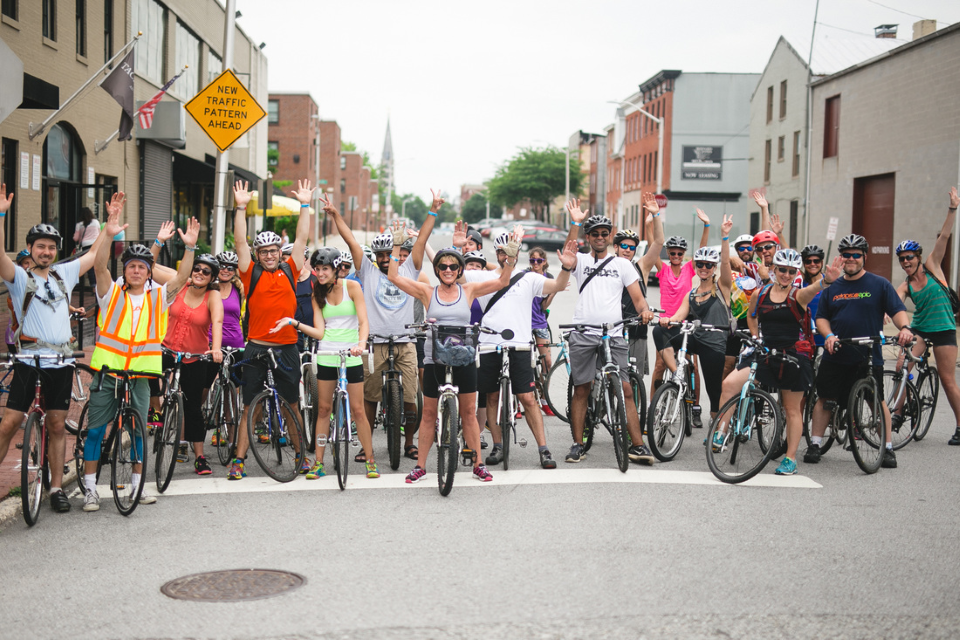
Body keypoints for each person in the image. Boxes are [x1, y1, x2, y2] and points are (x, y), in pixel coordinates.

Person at [81, 202, 199, 511]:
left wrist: (190, 248)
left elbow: (182, 279)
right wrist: (108, 231)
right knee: (96, 430)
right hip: (108, 372)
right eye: (131, 266)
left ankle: (138, 485)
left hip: (141, 376)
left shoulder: (158, 296)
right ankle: (90, 489)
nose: (136, 270)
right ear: (126, 270)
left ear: (149, 273)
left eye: (142, 267)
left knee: (137, 430)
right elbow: (99, 266)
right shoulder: (112, 293)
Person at [0, 184, 110, 514]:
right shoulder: (18, 278)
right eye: (40, 247)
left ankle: (56, 487)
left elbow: (94, 257)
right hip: (28, 360)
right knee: (8, 424)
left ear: (57, 251)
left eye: (51, 248)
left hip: (61, 362)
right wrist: (2, 214)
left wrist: (109, 224)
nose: (46, 252)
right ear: (30, 249)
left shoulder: (64, 274)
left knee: (58, 425)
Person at [389, 241, 519, 484]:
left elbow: (502, 282)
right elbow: (394, 277)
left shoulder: (468, 290)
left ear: (459, 270)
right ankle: (420, 467)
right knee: (428, 414)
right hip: (434, 359)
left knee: (469, 412)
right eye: (443, 266)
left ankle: (478, 465)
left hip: (464, 358)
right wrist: (396, 246)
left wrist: (510, 259)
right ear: (437, 270)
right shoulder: (428, 292)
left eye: (452, 266)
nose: (448, 270)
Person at [332, 191, 439, 462]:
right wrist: (335, 215)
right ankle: (364, 445)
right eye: (381, 254)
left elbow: (423, 239)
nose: (387, 258)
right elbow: (351, 241)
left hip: (405, 341)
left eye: (393, 253)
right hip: (374, 342)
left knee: (411, 397)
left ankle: (409, 442)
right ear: (376, 256)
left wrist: (433, 211)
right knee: (369, 397)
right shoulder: (366, 271)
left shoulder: (409, 269)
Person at [461, 226, 577, 470]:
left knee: (527, 397)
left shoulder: (529, 278)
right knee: (491, 396)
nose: (506, 255)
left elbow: (557, 285)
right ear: (496, 252)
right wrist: (458, 247)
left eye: (510, 250)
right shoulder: (481, 277)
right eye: (502, 251)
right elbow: (450, 272)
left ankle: (543, 449)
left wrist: (566, 267)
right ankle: (498, 445)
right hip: (489, 344)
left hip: (520, 345)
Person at [717, 249, 841, 475]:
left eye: (791, 271)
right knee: (730, 384)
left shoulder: (798, 295)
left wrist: (826, 281)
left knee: (791, 408)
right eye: (782, 269)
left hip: (793, 356)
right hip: (765, 352)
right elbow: (752, 315)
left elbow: (815, 288)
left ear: (795, 273)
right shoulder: (761, 293)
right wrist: (755, 336)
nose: (786, 274)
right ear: (773, 269)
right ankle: (721, 431)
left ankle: (790, 459)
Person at [227, 179, 312, 480]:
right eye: (263, 251)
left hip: (288, 345)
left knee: (291, 404)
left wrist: (304, 206)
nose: (269, 255)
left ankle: (301, 457)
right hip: (257, 346)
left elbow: (302, 239)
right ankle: (239, 461)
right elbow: (239, 242)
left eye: (273, 250)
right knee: (251, 407)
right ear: (258, 254)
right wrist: (240, 208)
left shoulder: (291, 268)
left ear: (279, 251)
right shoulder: (251, 273)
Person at [805, 234, 914, 469]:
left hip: (868, 354)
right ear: (841, 258)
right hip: (837, 352)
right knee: (825, 398)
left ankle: (886, 448)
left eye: (856, 255)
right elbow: (822, 317)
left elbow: (897, 310)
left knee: (877, 400)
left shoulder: (879, 284)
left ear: (865, 257)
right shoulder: (833, 286)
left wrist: (905, 327)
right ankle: (814, 444)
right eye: (847, 255)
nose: (851, 259)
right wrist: (829, 335)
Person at [561, 200, 655, 464]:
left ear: (609, 237)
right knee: (582, 389)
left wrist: (644, 311)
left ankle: (637, 445)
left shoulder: (623, 265)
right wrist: (575, 223)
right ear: (588, 238)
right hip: (583, 332)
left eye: (605, 233)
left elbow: (637, 299)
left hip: (612, 335)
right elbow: (568, 252)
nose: (600, 238)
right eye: (595, 234)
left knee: (625, 389)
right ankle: (578, 445)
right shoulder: (579, 261)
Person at [274, 243, 378, 479]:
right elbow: (321, 332)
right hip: (327, 355)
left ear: (336, 269)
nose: (320, 274)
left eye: (324, 270)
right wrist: (295, 323)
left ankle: (370, 460)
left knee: (359, 410)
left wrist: (361, 344)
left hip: (351, 355)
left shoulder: (353, 287)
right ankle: (319, 462)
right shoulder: (316, 294)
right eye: (317, 269)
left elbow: (363, 322)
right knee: (323, 409)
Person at [894, 187, 960, 445]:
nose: (905, 262)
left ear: (918, 257)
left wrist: (953, 208)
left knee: (947, 379)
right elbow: (895, 304)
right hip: (920, 328)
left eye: (909, 257)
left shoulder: (933, 266)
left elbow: (944, 236)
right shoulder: (905, 285)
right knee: (901, 366)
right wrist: (891, 318)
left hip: (944, 328)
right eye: (901, 259)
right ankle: (898, 413)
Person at [655, 215, 735, 423]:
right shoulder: (691, 293)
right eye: (700, 264)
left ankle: (717, 424)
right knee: (659, 331)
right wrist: (667, 320)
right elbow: (678, 316)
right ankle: (677, 374)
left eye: (709, 265)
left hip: (715, 344)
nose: (704, 268)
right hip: (695, 339)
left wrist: (724, 236)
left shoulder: (722, 288)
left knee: (714, 392)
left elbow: (725, 261)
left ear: (714, 267)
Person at [161, 252, 223, 475]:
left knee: (193, 407)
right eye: (197, 268)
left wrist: (215, 349)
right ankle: (156, 414)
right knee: (145, 376)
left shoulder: (212, 296)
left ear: (212, 277)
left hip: (196, 356)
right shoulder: (179, 285)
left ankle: (199, 456)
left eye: (206, 271)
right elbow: (150, 267)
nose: (200, 273)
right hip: (166, 348)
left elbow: (217, 321)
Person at [649, 209, 711, 422]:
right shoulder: (663, 269)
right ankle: (653, 407)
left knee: (691, 365)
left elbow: (702, 251)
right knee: (659, 365)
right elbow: (653, 247)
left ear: (684, 254)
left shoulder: (688, 269)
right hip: (666, 322)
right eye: (672, 253)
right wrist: (651, 223)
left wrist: (706, 226)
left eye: (679, 253)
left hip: (685, 322)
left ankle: (694, 408)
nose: (675, 256)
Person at [617, 192, 665, 378]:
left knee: (634, 379)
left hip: (637, 330)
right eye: (624, 246)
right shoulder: (609, 267)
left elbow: (659, 243)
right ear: (616, 247)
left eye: (631, 247)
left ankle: (634, 408)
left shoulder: (641, 267)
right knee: (613, 378)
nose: (627, 250)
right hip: (613, 331)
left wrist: (655, 216)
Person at [209, 250, 245, 447]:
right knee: (208, 389)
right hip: (211, 343)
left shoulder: (239, 289)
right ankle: (214, 426)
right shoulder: (208, 287)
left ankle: (232, 439)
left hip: (235, 344)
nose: (226, 270)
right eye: (222, 266)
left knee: (232, 392)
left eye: (230, 267)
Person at [526, 246, 556, 415]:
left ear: (544, 262)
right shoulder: (525, 275)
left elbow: (544, 306)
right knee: (524, 363)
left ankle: (544, 399)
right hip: (523, 324)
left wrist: (554, 291)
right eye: (532, 260)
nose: (535, 263)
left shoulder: (549, 278)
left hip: (540, 323)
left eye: (539, 260)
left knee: (547, 363)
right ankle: (519, 403)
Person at [5, 250, 34, 353]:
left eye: (32, 263)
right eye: (26, 263)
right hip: (16, 330)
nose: (29, 266)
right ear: (20, 266)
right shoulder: (17, 279)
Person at [800, 244, 826, 353]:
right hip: (805, 340)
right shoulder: (800, 282)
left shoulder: (830, 282)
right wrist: (779, 234)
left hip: (827, 338)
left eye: (816, 261)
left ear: (822, 262)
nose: (812, 264)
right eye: (808, 261)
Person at [294, 247, 318, 353]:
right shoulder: (286, 281)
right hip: (293, 336)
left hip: (315, 335)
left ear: (304, 259)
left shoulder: (316, 279)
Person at [73, 206, 100, 288]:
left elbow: (76, 238)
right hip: (96, 245)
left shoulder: (79, 225)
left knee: (89, 266)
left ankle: (93, 286)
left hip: (85, 246)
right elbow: (100, 233)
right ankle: (100, 285)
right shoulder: (95, 222)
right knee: (98, 264)